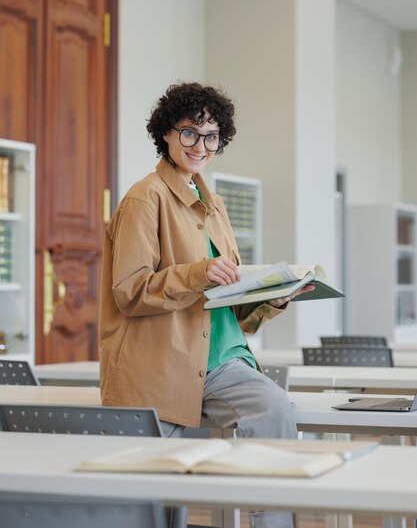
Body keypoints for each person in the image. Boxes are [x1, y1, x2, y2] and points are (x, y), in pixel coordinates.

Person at [99, 81, 314, 528]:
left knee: (273, 408)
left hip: (220, 359)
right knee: (159, 501)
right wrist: (197, 274)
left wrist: (271, 297)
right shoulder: (145, 198)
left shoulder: (212, 204)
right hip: (162, 363)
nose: (200, 145)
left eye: (211, 135)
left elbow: (226, 304)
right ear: (166, 134)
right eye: (189, 133)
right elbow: (129, 291)